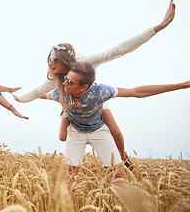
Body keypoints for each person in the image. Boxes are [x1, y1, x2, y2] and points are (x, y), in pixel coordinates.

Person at [14, 0, 176, 164]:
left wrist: (158, 27)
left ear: (64, 60)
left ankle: (122, 157)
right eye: (50, 59)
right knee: (63, 136)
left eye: (55, 60)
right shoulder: (54, 80)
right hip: (70, 103)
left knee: (116, 133)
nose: (51, 63)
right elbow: (38, 92)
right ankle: (78, 133)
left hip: (92, 100)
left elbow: (117, 51)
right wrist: (19, 99)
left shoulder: (86, 65)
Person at [45, 62, 189, 174]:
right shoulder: (61, 93)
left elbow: (137, 92)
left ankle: (122, 155)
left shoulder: (101, 91)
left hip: (97, 129)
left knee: (118, 173)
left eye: (70, 82)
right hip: (76, 130)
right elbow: (41, 93)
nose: (64, 83)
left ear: (84, 87)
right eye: (65, 79)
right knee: (70, 174)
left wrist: (181, 85)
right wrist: (21, 98)